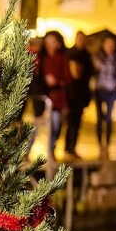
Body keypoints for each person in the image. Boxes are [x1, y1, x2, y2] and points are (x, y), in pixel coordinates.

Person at [38, 31, 71, 159]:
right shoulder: (42, 58)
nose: (50, 45)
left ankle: (52, 148)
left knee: (56, 125)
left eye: (52, 42)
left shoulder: (63, 58)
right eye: (48, 42)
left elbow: (67, 78)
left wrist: (56, 81)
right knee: (40, 126)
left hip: (58, 98)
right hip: (44, 97)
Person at [93, 36, 116, 156]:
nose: (110, 47)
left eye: (112, 44)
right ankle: (100, 143)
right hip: (99, 90)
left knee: (109, 118)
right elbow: (92, 73)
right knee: (99, 117)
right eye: (108, 44)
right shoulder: (97, 57)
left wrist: (115, 83)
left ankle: (107, 143)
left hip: (111, 91)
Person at [65, 31, 93, 160]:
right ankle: (67, 147)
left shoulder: (87, 55)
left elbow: (90, 74)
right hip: (71, 93)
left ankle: (72, 147)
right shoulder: (70, 53)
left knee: (77, 122)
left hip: (81, 93)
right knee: (70, 122)